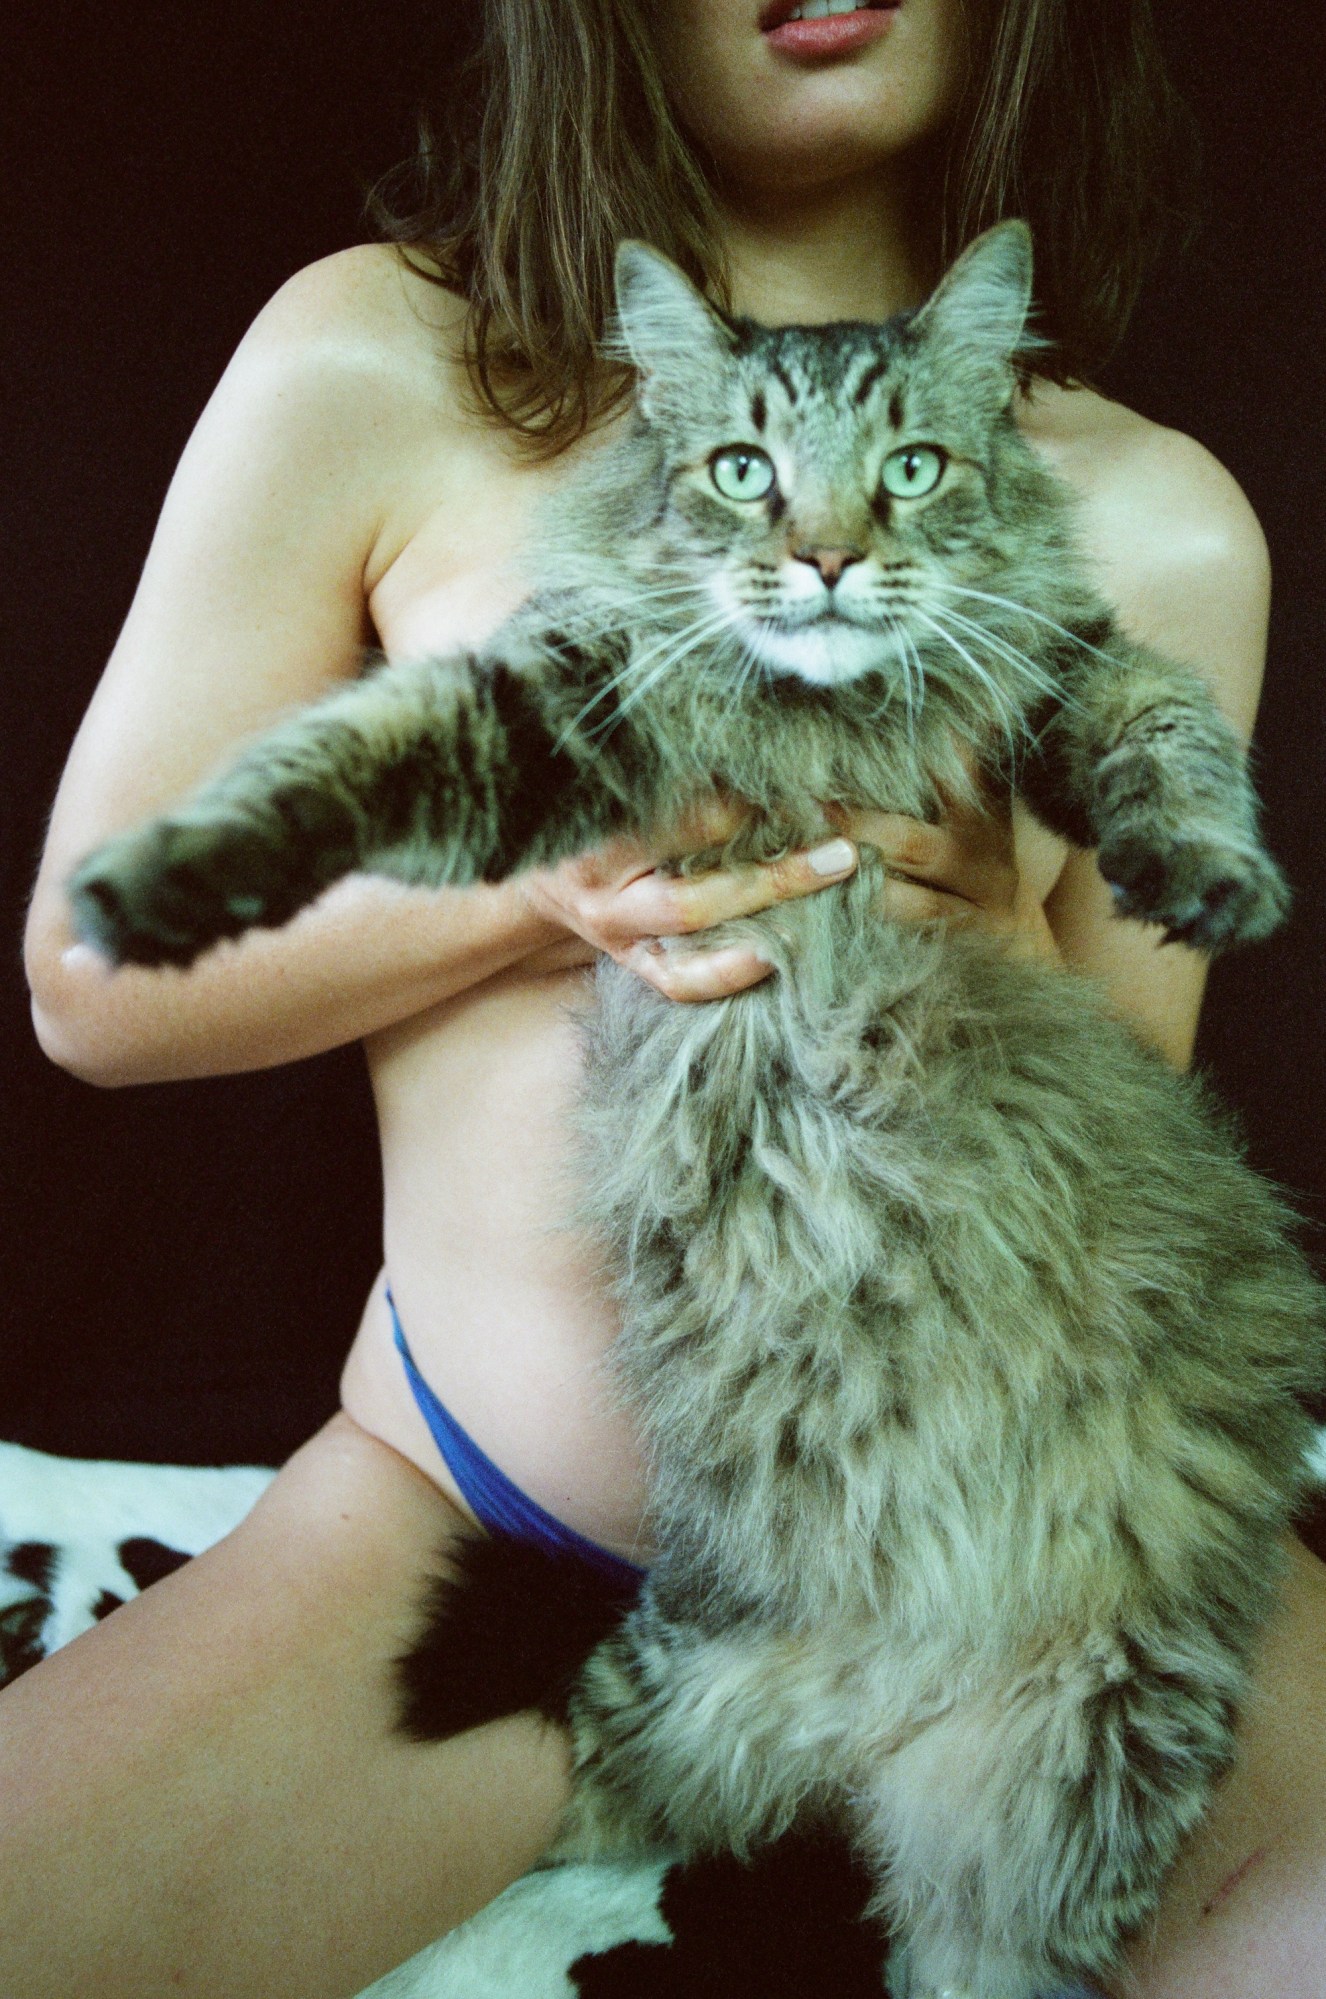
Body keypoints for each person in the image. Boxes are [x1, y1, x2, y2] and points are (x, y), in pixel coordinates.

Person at [15, 2, 1326, 1994]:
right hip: (474, 1535)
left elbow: (1137, 1142)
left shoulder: (1155, 517)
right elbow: (90, 984)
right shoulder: (380, 359)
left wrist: (999, 931)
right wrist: (545, 871)